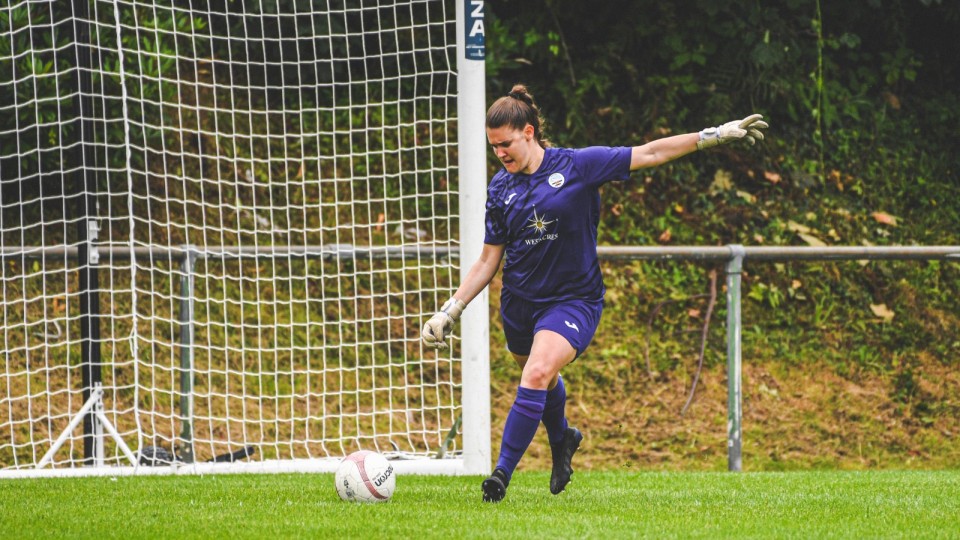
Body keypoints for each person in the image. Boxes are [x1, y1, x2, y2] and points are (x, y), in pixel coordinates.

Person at [421, 84, 768, 502]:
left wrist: (711, 135)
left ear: (529, 132)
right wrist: (450, 310)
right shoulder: (500, 188)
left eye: (506, 144)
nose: (500, 154)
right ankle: (562, 439)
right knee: (541, 379)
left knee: (535, 373)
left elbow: (650, 152)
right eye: (494, 147)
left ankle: (500, 477)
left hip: (573, 300)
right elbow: (487, 260)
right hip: (519, 304)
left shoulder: (579, 165)